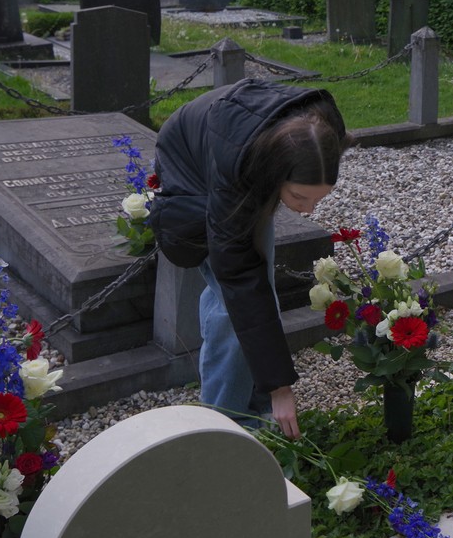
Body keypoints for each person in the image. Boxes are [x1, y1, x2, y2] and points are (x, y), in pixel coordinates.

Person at [149, 79, 351, 437]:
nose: (308, 211)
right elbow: (240, 281)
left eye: (318, 199)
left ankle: (255, 403)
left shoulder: (323, 133)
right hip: (190, 160)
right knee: (230, 302)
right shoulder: (235, 177)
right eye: (299, 197)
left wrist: (275, 385)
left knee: (261, 287)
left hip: (240, 148)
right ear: (274, 175)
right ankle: (226, 421)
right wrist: (280, 387)